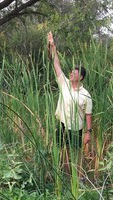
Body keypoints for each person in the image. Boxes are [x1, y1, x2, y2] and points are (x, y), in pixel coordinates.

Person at [47, 31, 92, 175]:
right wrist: (53, 47)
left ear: (81, 77)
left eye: (75, 73)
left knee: (75, 152)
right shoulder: (64, 83)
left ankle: (78, 176)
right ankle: (67, 174)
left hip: (76, 128)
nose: (71, 73)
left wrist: (88, 133)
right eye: (71, 72)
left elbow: (88, 115)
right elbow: (56, 64)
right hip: (62, 124)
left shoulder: (86, 95)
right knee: (63, 149)